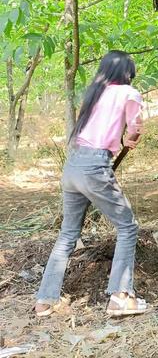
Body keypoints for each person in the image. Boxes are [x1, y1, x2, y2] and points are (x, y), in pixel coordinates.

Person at [35, 50, 147, 317]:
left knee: (68, 234)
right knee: (128, 227)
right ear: (126, 73)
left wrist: (123, 140)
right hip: (95, 167)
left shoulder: (95, 92)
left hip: (73, 166)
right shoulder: (128, 93)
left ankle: (45, 301)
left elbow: (99, 129)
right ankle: (120, 297)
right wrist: (131, 136)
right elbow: (136, 125)